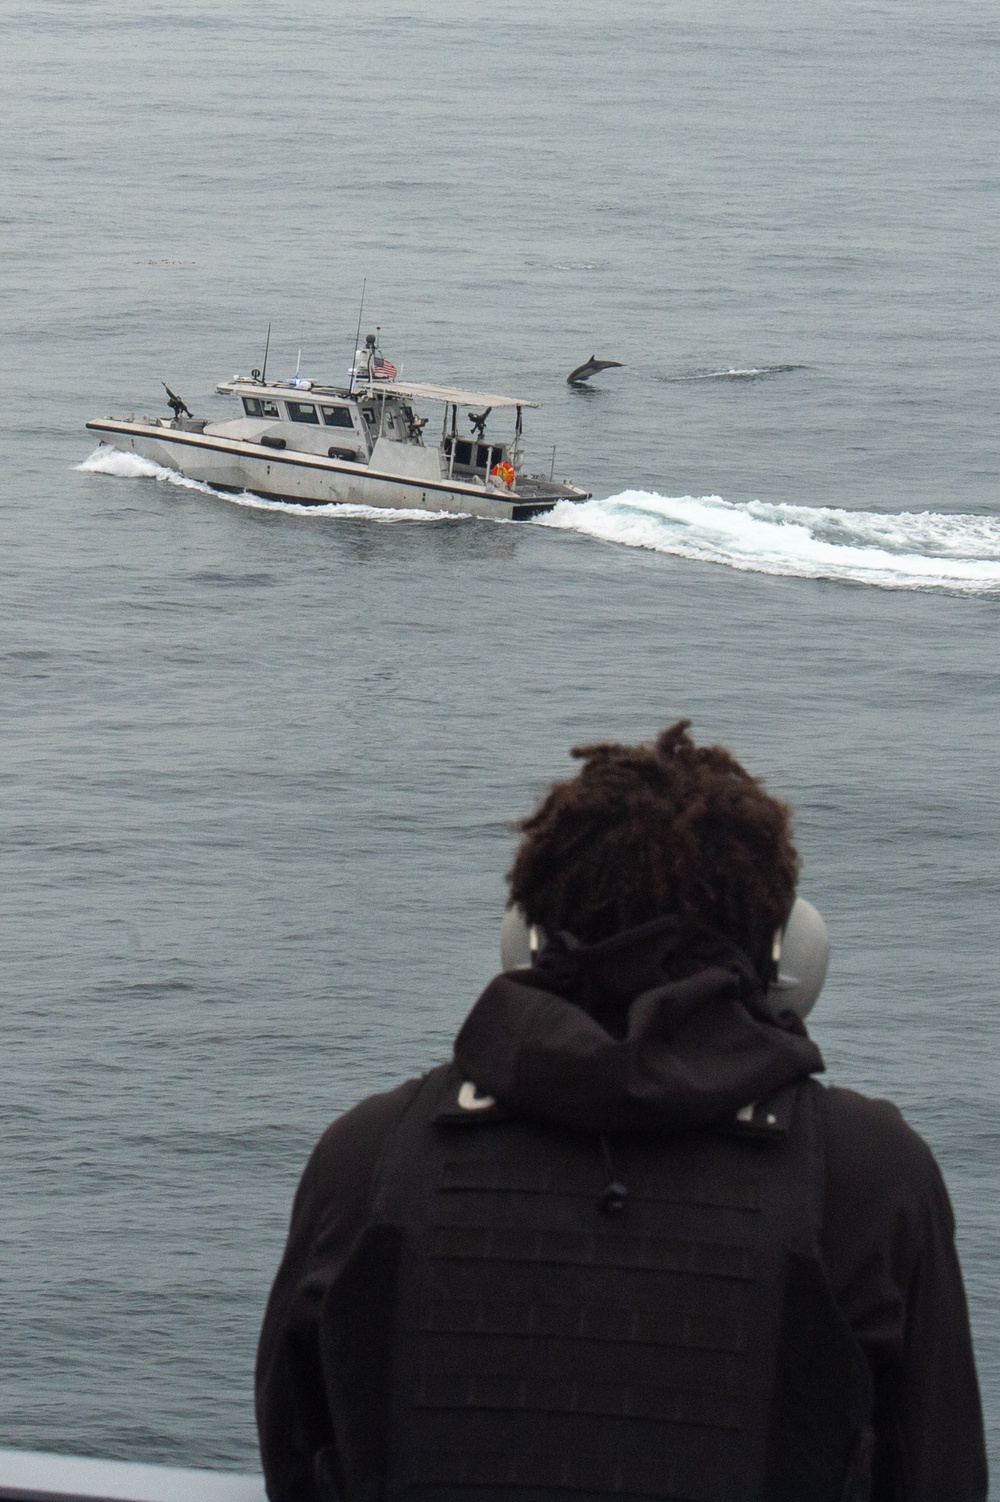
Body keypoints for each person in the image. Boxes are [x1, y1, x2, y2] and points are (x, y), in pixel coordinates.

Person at [256, 722, 987, 1502]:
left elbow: (295, 1456)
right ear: (786, 956)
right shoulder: (869, 1175)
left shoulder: (367, 1155)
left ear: (526, 940)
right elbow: (939, 1475)